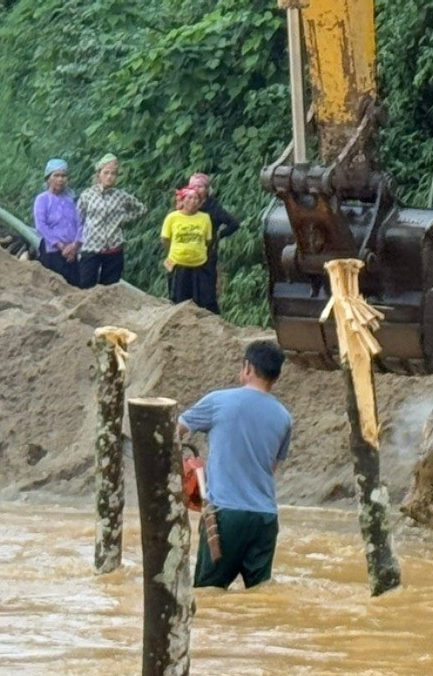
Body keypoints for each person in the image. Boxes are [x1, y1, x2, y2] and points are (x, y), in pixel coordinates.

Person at [177, 340, 293, 591]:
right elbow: (270, 468)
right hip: (265, 518)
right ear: (277, 376)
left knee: (209, 593)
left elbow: (173, 431)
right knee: (259, 594)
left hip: (225, 516)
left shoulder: (218, 401)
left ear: (248, 368)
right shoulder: (284, 417)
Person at [74, 155, 148, 288]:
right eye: (106, 173)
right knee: (86, 286)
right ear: (98, 175)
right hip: (91, 246)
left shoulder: (121, 196)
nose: (109, 177)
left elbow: (141, 209)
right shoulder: (87, 195)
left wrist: (123, 220)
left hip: (114, 247)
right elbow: (78, 218)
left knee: (110, 289)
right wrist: (77, 242)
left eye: (113, 173)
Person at [162, 182, 219, 312]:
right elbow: (165, 239)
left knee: (199, 299)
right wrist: (174, 251)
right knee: (179, 297)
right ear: (182, 200)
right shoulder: (172, 218)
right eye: (189, 198)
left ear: (200, 203)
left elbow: (208, 240)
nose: (193, 201)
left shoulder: (205, 218)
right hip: (178, 263)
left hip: (199, 263)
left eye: (196, 198)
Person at [33, 158, 84, 286]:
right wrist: (60, 246)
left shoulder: (72, 199)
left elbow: (82, 224)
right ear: (48, 178)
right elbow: (41, 226)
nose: (60, 179)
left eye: (63, 175)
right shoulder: (42, 199)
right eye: (56, 175)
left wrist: (74, 246)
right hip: (52, 252)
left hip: (72, 253)